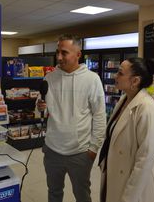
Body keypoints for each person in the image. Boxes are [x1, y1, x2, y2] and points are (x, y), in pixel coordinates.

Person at [37, 34, 106, 202]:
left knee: (82, 194)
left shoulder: (92, 79)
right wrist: (40, 107)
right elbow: (41, 108)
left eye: (64, 53)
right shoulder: (49, 78)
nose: (59, 57)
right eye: (57, 52)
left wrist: (93, 148)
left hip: (80, 152)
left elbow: (99, 115)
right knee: (54, 192)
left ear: (78, 54)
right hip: (53, 149)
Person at [98, 57, 154, 202]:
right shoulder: (123, 100)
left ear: (135, 81)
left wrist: (129, 198)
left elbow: (145, 160)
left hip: (137, 186)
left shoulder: (148, 110)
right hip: (116, 174)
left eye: (120, 73)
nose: (115, 76)